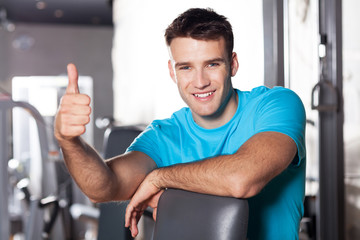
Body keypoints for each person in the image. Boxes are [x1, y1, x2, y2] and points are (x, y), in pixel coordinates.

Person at [54, 8, 306, 240]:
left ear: (233, 64)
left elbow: (242, 179)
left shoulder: (276, 105)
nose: (200, 81)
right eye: (186, 67)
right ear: (172, 72)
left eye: (212, 64)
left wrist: (159, 178)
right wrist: (69, 142)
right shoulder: (164, 135)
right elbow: (103, 186)